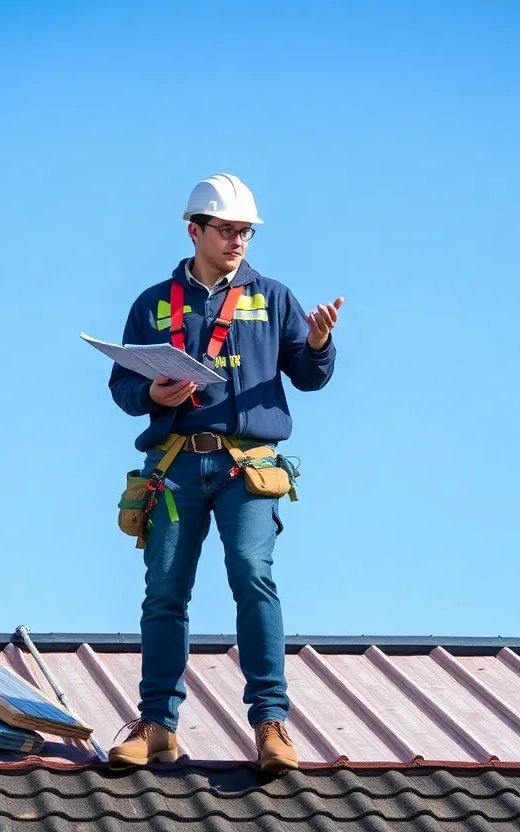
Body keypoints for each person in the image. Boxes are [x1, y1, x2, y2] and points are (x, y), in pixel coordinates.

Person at [106, 173, 343, 773]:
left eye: (246, 232)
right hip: (176, 465)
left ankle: (271, 724)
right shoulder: (153, 303)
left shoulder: (275, 296)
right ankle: (156, 725)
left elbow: (311, 378)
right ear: (195, 230)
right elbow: (123, 387)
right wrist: (155, 394)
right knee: (164, 590)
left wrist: (317, 344)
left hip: (247, 467)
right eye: (227, 230)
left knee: (251, 575)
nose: (238, 241)